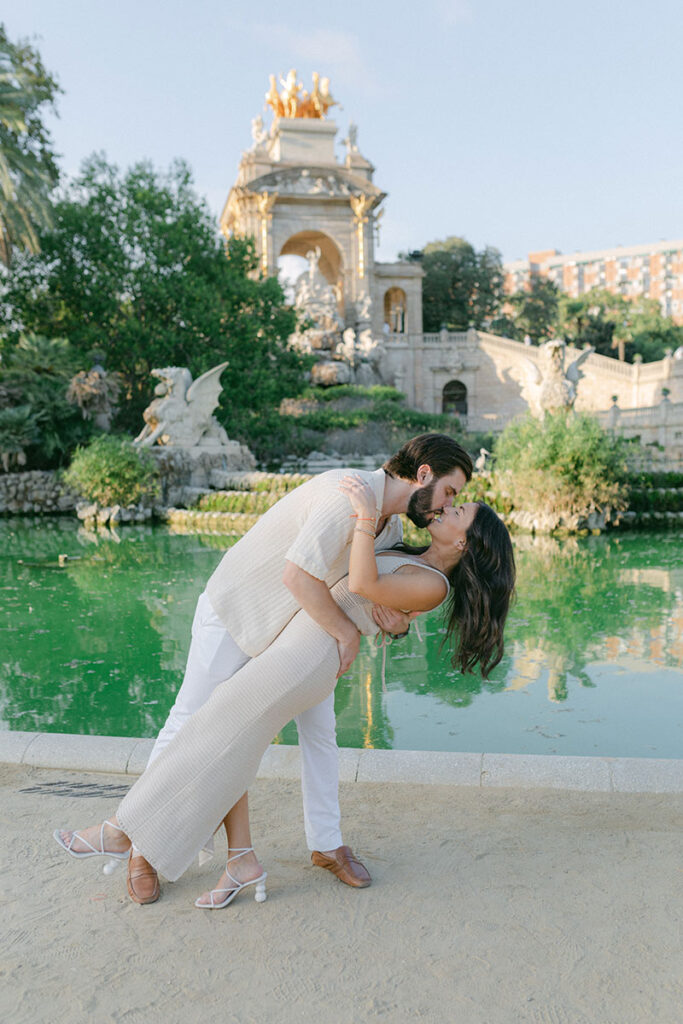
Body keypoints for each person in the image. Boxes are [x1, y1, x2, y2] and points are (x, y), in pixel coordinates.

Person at [54, 478, 516, 909]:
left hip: (311, 657)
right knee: (229, 735)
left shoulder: (433, 584)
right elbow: (365, 588)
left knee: (221, 728)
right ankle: (239, 861)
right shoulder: (407, 548)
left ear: (463, 543)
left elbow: (361, 584)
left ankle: (122, 831)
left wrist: (361, 517)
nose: (448, 507)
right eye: (453, 497)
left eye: (460, 510)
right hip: (298, 639)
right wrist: (389, 611)